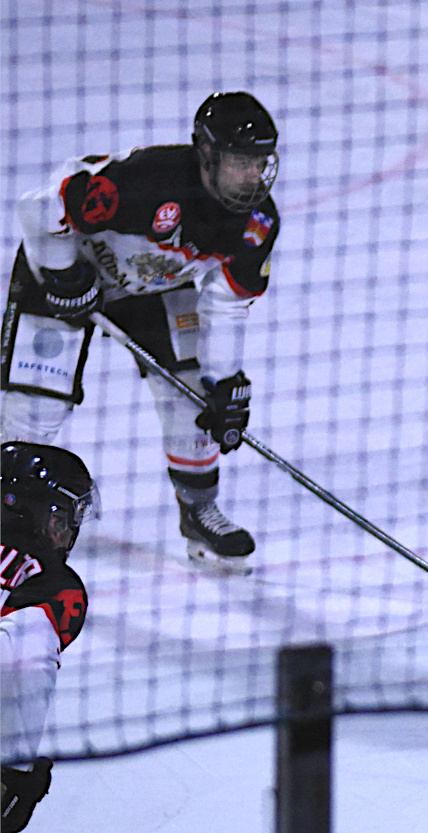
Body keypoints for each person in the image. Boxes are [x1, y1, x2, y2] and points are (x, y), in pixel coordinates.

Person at [5, 92, 276, 572]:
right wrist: (65, 277)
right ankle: (10, 523)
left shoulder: (256, 224)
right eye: (241, 163)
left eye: (260, 164)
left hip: (151, 288)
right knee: (35, 411)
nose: (253, 178)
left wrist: (225, 381)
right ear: (207, 156)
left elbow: (228, 306)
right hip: (66, 271)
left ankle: (197, 512)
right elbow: (39, 211)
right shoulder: (144, 183)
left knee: (195, 394)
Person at [2, 442, 95, 833]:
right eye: (63, 514)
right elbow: (23, 664)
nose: (71, 529)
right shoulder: (57, 593)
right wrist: (15, 776)